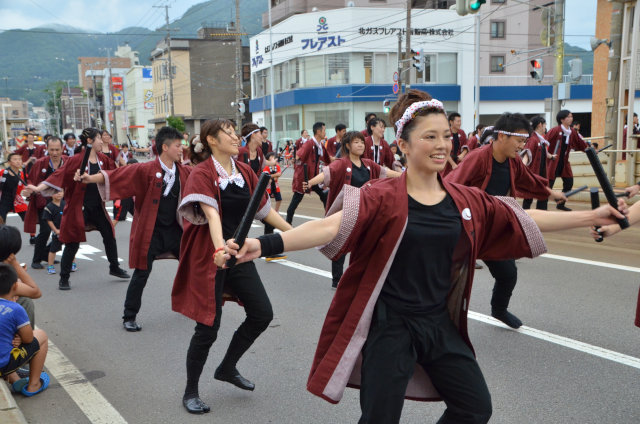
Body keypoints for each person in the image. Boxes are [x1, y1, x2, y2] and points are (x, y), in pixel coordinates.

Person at [226, 89, 627, 424]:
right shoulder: (383, 197)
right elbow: (329, 227)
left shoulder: (465, 200)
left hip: (439, 324)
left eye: (445, 137)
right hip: (391, 325)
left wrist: (591, 214)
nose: (441, 146)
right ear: (403, 144)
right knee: (380, 418)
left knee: (475, 407)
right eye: (429, 137)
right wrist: (262, 245)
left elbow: (518, 214)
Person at [170, 119, 292, 414]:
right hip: (210, 258)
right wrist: (219, 250)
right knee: (208, 327)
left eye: (235, 132)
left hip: (237, 254)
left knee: (262, 313)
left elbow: (264, 212)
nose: (236, 137)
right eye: (228, 133)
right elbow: (212, 216)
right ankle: (190, 391)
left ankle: (226, 366)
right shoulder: (202, 173)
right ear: (211, 140)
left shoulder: (245, 171)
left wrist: (297, 236)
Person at [446, 113, 566, 328]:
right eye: (519, 140)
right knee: (453, 277)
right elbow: (451, 186)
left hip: (495, 227)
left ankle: (499, 309)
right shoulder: (478, 157)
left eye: (524, 140)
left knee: (508, 274)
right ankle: (440, 320)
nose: (522, 145)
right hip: (468, 226)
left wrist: (551, 193)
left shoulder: (513, 162)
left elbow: (529, 182)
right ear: (501, 136)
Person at [77, 127, 190, 331]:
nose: (181, 149)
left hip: (175, 230)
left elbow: (204, 178)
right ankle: (129, 316)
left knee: (190, 267)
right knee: (141, 273)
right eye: (178, 145)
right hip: (151, 231)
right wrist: (91, 178)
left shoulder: (183, 171)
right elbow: (118, 175)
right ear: (165, 147)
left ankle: (192, 305)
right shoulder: (145, 169)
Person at [23, 128, 130, 290]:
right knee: (73, 242)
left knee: (109, 235)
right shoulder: (76, 160)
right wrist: (37, 189)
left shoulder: (103, 159)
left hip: (98, 207)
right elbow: (58, 175)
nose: (102, 141)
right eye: (99, 139)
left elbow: (115, 175)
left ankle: (114, 267)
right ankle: (64, 278)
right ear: (90, 141)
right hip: (79, 207)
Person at [304, 130, 400, 288]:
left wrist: (404, 176)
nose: (361, 145)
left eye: (362, 142)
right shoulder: (342, 163)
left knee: (365, 245)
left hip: (365, 212)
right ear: (348, 146)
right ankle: (337, 280)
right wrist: (310, 183)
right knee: (341, 245)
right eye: (356, 142)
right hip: (346, 212)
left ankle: (361, 278)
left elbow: (385, 172)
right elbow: (326, 173)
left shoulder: (368, 164)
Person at [0, 261, 49, 397]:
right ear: (16, 286)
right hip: (3, 365)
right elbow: (28, 339)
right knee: (41, 335)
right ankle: (33, 385)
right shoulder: (16, 309)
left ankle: (15, 379)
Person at [25, 137, 65, 269]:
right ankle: (36, 259)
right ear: (47, 149)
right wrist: (30, 189)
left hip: (62, 201)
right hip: (45, 202)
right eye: (52, 149)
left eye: (57, 150)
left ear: (62, 149)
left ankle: (46, 253)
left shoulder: (66, 162)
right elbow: (30, 180)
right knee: (46, 230)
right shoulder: (41, 163)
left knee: (64, 229)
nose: (54, 153)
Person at [546, 109, 589, 211]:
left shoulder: (572, 132)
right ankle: (542, 207)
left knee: (569, 183)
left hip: (564, 162)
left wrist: (589, 150)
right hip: (553, 162)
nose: (571, 119)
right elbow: (544, 143)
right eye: (568, 117)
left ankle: (561, 203)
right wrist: (548, 155)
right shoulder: (555, 130)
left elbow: (580, 143)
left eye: (571, 116)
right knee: (549, 185)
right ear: (562, 119)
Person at [286, 122, 328, 224]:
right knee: (295, 201)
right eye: (324, 130)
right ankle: (287, 224)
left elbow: (328, 159)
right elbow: (297, 156)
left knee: (325, 197)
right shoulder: (309, 143)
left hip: (313, 179)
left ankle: (328, 219)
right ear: (318, 132)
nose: (325, 132)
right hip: (304, 179)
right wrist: (295, 161)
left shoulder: (320, 145)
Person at [521, 116, 556, 210]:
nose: (545, 127)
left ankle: (541, 212)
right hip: (533, 173)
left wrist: (551, 156)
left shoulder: (540, 139)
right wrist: (522, 168)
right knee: (529, 197)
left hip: (540, 173)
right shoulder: (533, 139)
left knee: (543, 195)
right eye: (545, 124)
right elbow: (527, 153)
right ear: (540, 125)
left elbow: (545, 152)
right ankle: (525, 215)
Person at [0, 153, 27, 223]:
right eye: (15, 159)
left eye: (19, 159)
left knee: (28, 219)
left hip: (16, 199)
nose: (18, 161)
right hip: (3, 200)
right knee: (1, 222)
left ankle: (32, 234)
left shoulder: (22, 175)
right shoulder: (3, 173)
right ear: (9, 162)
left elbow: (29, 184)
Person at [43, 189, 65, 275]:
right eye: (55, 192)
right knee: (53, 249)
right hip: (57, 231)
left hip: (67, 230)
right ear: (51, 194)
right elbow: (49, 220)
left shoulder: (66, 204)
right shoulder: (49, 207)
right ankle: (50, 265)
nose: (59, 194)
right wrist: (55, 230)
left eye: (60, 191)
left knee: (70, 247)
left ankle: (72, 263)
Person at [111, 158, 137, 228]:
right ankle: (108, 233)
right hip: (122, 198)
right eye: (129, 166)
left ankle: (141, 236)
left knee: (139, 217)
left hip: (131, 199)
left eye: (132, 166)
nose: (130, 168)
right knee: (117, 218)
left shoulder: (137, 173)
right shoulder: (123, 173)